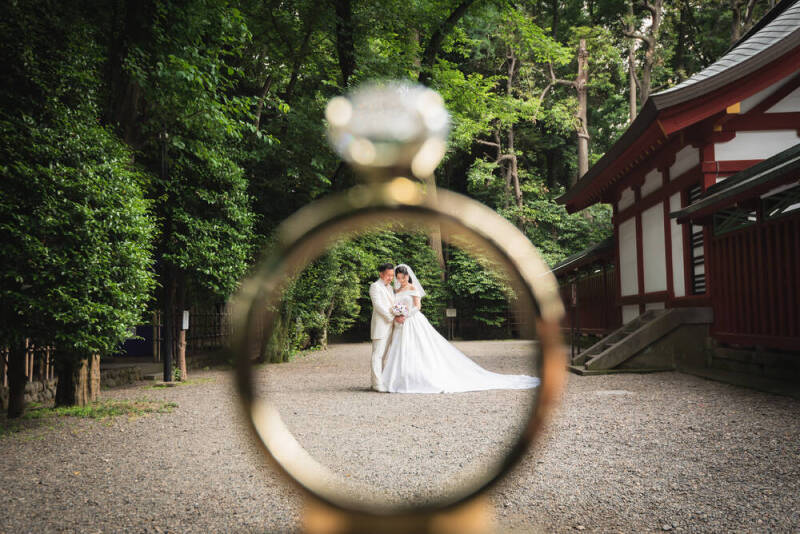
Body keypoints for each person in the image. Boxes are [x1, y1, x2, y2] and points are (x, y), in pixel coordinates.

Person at [380, 264, 540, 393]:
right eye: (399, 278)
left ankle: (417, 377)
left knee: (419, 349)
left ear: (408, 276)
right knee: (401, 350)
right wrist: (396, 314)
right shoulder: (397, 290)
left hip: (412, 321)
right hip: (400, 324)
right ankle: (400, 378)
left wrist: (405, 315)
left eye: (403, 277)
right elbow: (394, 304)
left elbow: (417, 306)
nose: (401, 281)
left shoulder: (412, 289)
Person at [368, 262, 403, 392]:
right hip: (381, 324)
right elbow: (378, 306)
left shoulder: (390, 288)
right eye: (388, 275)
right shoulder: (375, 286)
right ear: (381, 274)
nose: (390, 278)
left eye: (392, 275)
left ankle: (379, 380)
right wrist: (392, 317)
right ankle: (377, 384)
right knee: (377, 355)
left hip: (391, 326)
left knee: (384, 355)